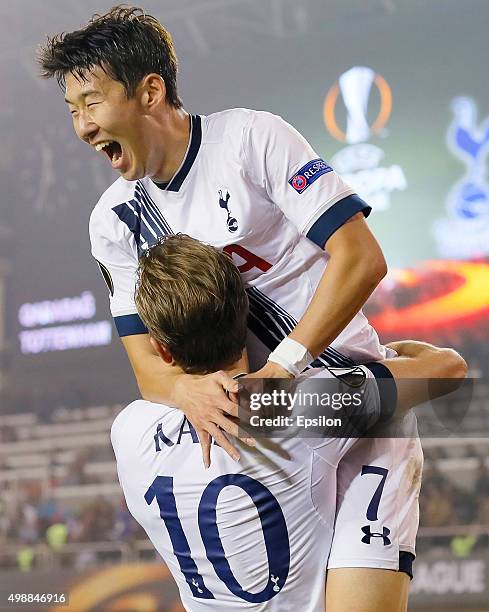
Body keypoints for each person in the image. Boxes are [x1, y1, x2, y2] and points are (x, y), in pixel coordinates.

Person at [36, 5, 460, 606]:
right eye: (73, 110)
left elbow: (362, 258)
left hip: (351, 410)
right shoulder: (113, 222)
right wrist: (191, 394)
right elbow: (147, 369)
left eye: (93, 103)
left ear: (150, 90)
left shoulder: (251, 139)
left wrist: (282, 372)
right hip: (264, 429)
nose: (81, 127)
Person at [111, 234, 466, 611]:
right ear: (245, 317)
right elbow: (448, 368)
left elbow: (153, 389)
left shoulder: (129, 431)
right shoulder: (297, 406)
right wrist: (387, 356)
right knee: (393, 423)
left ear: (162, 349)